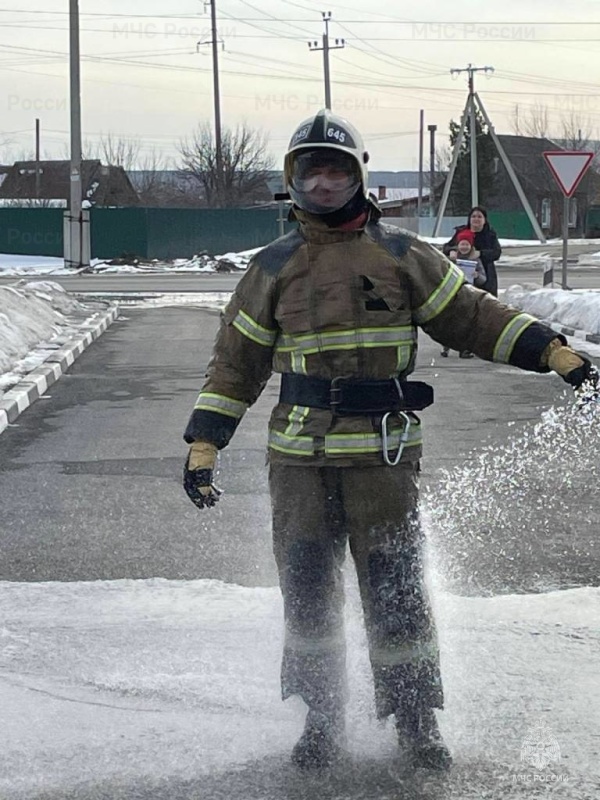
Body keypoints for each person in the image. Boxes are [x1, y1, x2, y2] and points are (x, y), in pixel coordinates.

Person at [182, 109, 595, 772]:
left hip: (383, 459)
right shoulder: (272, 267)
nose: (323, 184)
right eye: (310, 170)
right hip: (298, 464)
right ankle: (320, 720)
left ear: (357, 177)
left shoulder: (403, 256)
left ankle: (415, 720)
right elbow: (235, 364)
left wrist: (551, 350)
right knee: (308, 593)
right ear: (292, 180)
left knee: (396, 590)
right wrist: (205, 443)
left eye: (335, 169)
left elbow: (472, 318)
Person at [441, 229, 486, 358]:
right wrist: (451, 260)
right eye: (462, 244)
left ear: (471, 246)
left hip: (469, 294)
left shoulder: (476, 260)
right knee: (450, 322)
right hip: (453, 293)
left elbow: (484, 278)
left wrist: (477, 276)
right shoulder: (452, 257)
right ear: (458, 245)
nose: (464, 247)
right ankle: (446, 346)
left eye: (467, 244)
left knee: (467, 322)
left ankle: (464, 349)